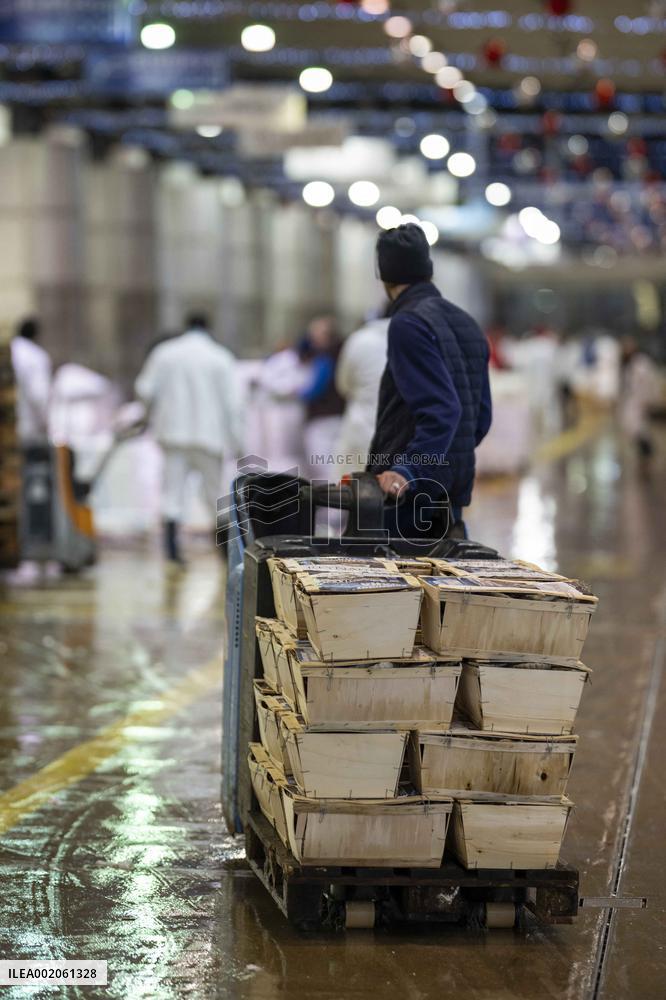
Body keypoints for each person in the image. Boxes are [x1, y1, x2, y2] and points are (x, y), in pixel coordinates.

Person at [367, 223, 492, 540]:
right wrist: (447, 461)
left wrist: (410, 470)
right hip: (449, 497)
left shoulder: (408, 323)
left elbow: (442, 409)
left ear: (384, 275)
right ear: (428, 269)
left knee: (394, 587)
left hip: (406, 496)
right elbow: (480, 418)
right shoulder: (467, 323)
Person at [135, 313, 242, 565]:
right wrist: (238, 443)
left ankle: (172, 552)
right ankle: (224, 553)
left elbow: (145, 390)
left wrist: (148, 415)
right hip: (210, 437)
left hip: (173, 434)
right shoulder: (221, 357)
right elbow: (234, 405)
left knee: (172, 493)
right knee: (215, 495)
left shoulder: (165, 353)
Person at [335, 307, 389, 474]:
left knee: (351, 488)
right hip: (399, 432)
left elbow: (343, 385)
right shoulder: (414, 339)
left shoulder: (358, 339)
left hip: (360, 425)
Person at [298, 315, 345, 482]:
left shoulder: (326, 357)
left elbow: (313, 390)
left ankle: (330, 504)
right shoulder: (339, 353)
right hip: (338, 417)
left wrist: (295, 392)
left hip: (323, 419)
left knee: (322, 466)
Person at [619, 336, 660, 474]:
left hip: (641, 401)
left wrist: (648, 400)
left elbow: (650, 383)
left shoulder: (642, 363)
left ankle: (647, 456)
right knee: (633, 430)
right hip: (632, 401)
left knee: (640, 431)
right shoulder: (628, 364)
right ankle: (643, 457)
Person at [10, 318, 51, 443]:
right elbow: (39, 394)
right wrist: (46, 421)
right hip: (26, 425)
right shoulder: (35, 356)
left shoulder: (10, 351)